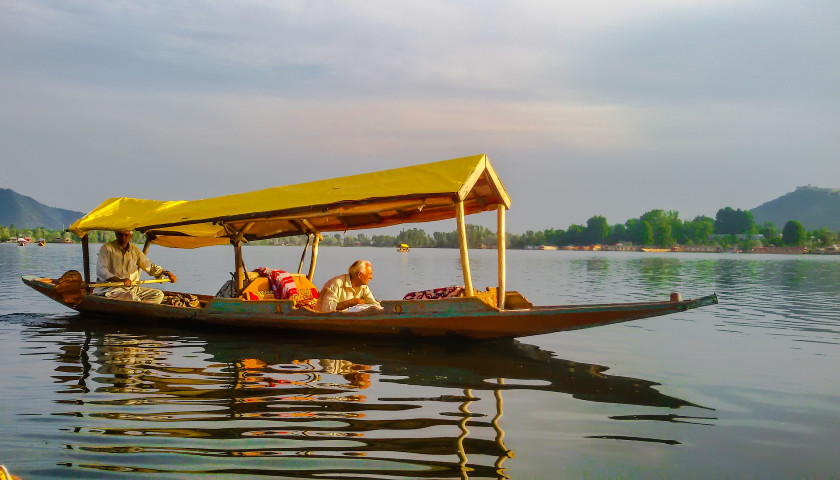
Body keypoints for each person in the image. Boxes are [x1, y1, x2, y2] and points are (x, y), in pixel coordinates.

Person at [94, 229, 177, 303]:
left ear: (131, 235)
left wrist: (166, 272)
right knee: (132, 297)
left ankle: (141, 308)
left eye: (126, 235)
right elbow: (101, 271)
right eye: (120, 235)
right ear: (116, 234)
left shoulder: (134, 250)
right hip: (112, 289)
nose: (123, 238)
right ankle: (140, 307)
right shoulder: (107, 248)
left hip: (132, 288)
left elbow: (149, 266)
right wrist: (119, 280)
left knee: (158, 294)